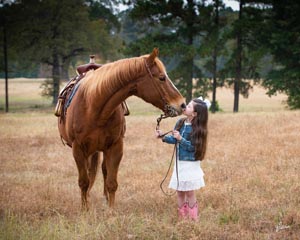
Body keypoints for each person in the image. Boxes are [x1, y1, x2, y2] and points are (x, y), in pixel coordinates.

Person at [155, 97, 210, 221]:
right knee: (180, 191)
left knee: (190, 192)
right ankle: (182, 218)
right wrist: (163, 137)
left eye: (189, 107)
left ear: (195, 114)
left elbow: (192, 148)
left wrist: (181, 139)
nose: (185, 107)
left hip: (190, 164)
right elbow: (175, 139)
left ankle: (193, 218)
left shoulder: (198, 129)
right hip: (179, 163)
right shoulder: (180, 122)